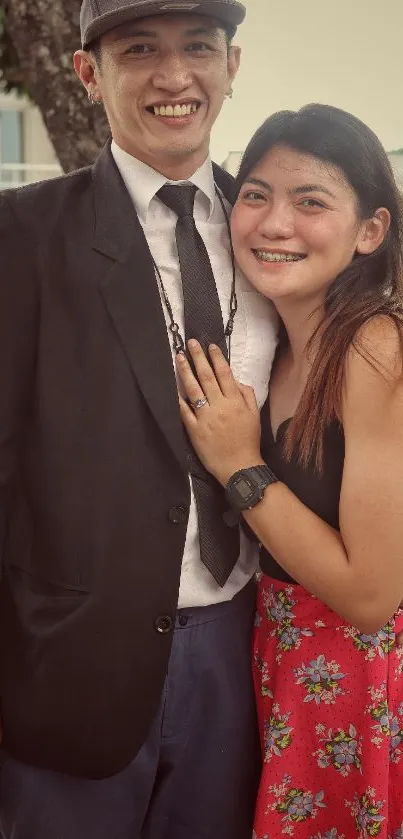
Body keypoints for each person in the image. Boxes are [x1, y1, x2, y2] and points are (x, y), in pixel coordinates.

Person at [0, 1, 279, 837]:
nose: (173, 75)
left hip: (240, 654)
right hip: (64, 666)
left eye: (198, 47)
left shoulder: (278, 233)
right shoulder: (19, 236)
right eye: (139, 50)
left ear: (231, 66)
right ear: (90, 74)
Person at [176, 103, 403, 838]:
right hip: (271, 660)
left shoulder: (375, 348)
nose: (274, 224)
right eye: (255, 194)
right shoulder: (271, 342)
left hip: (356, 684)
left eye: (310, 201)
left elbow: (370, 594)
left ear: (370, 230)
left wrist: (240, 464)